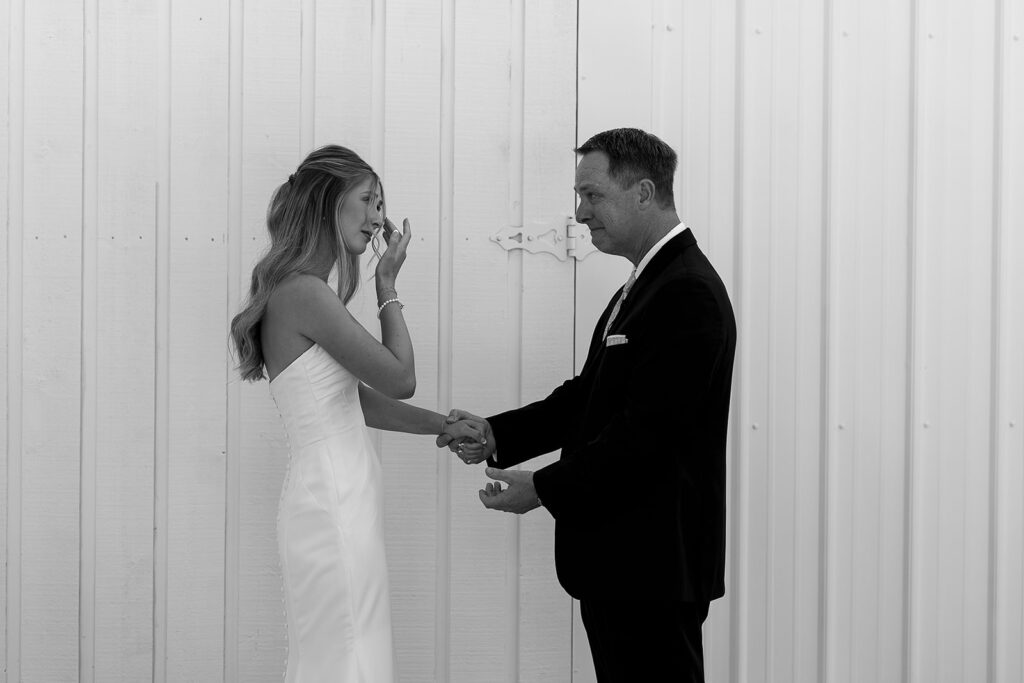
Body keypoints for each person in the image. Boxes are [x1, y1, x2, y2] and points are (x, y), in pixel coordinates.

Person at [440, 128, 736, 682]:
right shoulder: (646, 284)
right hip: (623, 565)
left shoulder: (686, 292)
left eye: (592, 195)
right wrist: (497, 433)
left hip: (652, 568)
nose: (580, 212)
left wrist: (544, 489)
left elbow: (645, 435)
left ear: (644, 193)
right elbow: (590, 396)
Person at [230, 144, 483, 682]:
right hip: (332, 500)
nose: (378, 218)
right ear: (328, 203)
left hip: (337, 495)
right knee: (347, 657)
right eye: (367, 200)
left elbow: (356, 400)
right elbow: (400, 377)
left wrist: (442, 425)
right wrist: (387, 285)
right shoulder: (305, 293)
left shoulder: (305, 292)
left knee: (345, 650)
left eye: (380, 203)